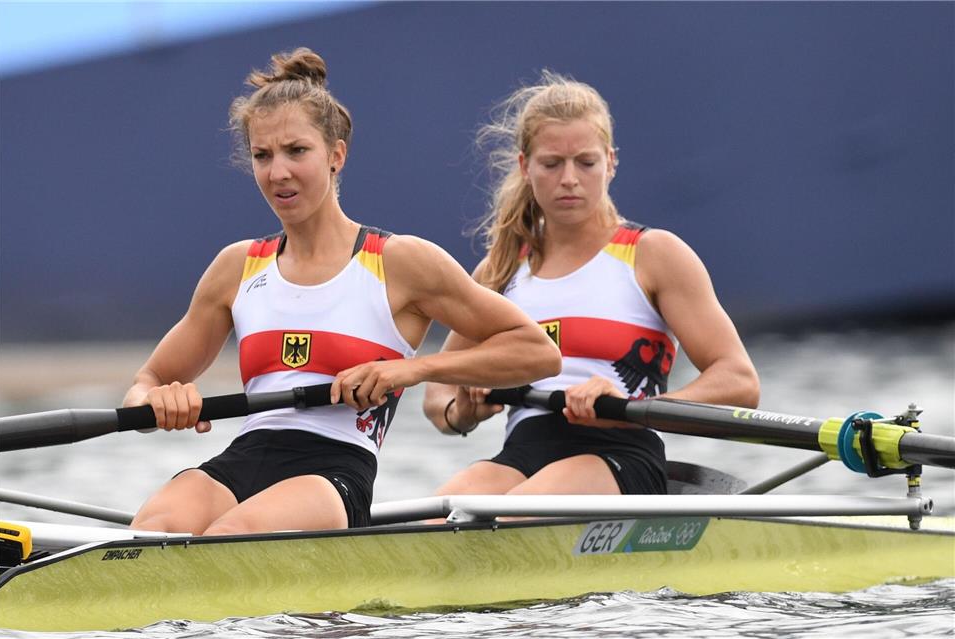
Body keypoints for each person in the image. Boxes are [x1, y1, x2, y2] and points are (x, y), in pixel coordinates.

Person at [125, 48, 561, 536]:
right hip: (243, 456)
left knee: (232, 536)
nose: (278, 173)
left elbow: (537, 352)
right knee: (152, 531)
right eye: (262, 156)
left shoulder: (400, 262)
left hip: (333, 475)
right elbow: (148, 380)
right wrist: (158, 401)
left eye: (296, 151)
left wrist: (412, 369)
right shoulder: (236, 266)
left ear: (336, 155)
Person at [424, 71, 760, 498]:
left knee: (508, 516)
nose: (569, 179)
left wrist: (631, 408)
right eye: (551, 164)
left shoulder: (653, 254)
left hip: (620, 450)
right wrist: (463, 412)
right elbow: (437, 393)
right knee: (431, 521)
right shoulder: (501, 268)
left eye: (586, 163)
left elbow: (740, 382)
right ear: (526, 167)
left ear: (611, 163)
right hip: (523, 452)